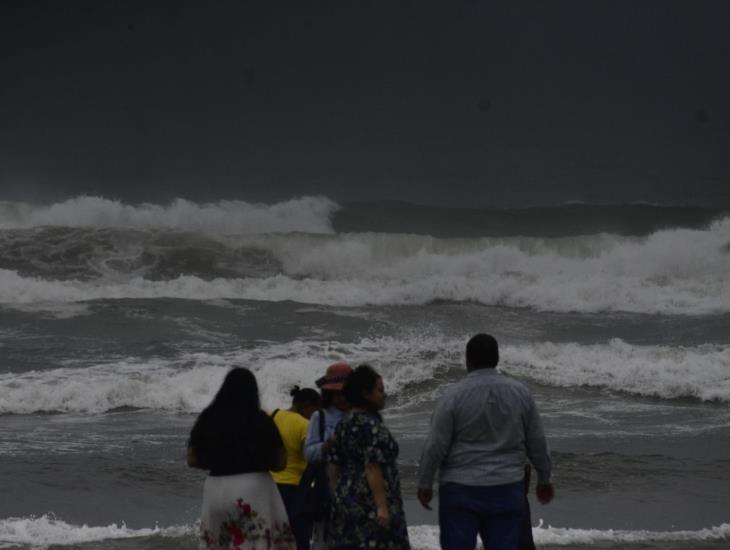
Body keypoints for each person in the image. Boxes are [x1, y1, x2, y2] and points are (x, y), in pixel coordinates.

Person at [416, 334, 554, 550]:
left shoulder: (453, 396)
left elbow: (435, 445)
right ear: (497, 359)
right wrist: (544, 479)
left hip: (460, 489)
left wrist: (425, 483)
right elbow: (536, 441)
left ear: (467, 361)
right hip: (507, 487)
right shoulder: (520, 393)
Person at [187, 368, 295, 550]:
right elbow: (279, 462)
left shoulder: (208, 418)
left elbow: (192, 459)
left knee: (217, 543)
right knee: (255, 542)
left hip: (216, 490)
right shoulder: (260, 419)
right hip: (254, 489)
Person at [326, 365, 410, 550]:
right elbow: (372, 466)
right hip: (370, 503)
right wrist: (382, 507)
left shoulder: (344, 423)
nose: (384, 395)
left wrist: (338, 496)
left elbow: (333, 465)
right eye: (380, 390)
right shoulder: (371, 425)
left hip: (347, 501)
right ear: (365, 393)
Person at [304, 362, 353, 550]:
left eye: (344, 392)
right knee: (325, 538)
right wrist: (326, 446)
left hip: (356, 489)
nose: (341, 398)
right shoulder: (320, 417)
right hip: (327, 489)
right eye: (336, 393)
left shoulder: (361, 416)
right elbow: (308, 452)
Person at [271, 386, 323, 550]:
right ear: (307, 406)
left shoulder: (271, 416)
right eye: (315, 412)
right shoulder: (305, 425)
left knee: (273, 538)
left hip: (269, 487)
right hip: (295, 490)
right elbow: (312, 456)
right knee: (299, 539)